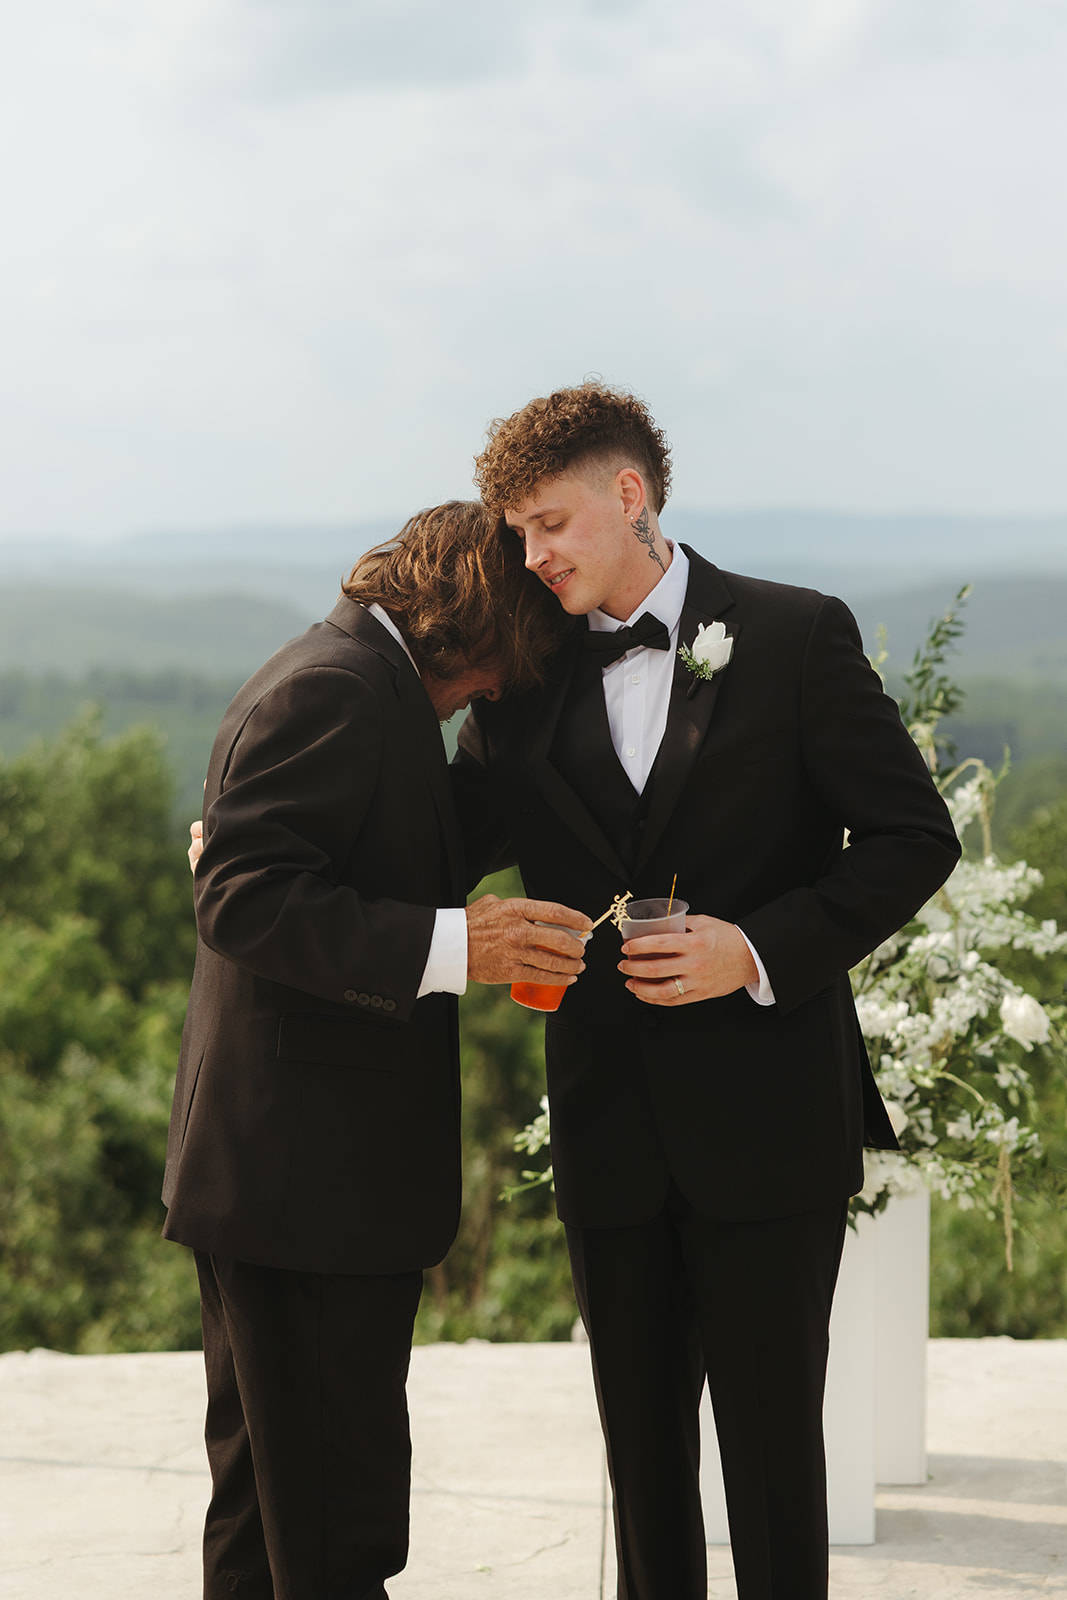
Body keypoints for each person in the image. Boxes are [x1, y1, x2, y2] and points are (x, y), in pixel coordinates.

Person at [451, 384, 962, 1600]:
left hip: (770, 1121)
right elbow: (438, 837)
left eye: (548, 524)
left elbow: (910, 836)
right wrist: (273, 829)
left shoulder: (792, 636)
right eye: (516, 531)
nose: (531, 556)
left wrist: (757, 948)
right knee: (640, 1463)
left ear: (628, 497)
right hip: (605, 1124)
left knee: (777, 1460)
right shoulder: (518, 679)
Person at [163, 500, 591, 1600]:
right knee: (334, 1525)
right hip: (305, 1189)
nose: (500, 687)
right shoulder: (334, 690)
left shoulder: (368, 684)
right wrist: (462, 942)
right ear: (472, 618)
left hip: (288, 1187)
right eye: (510, 658)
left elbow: (408, 830)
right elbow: (245, 897)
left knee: (268, 1514)